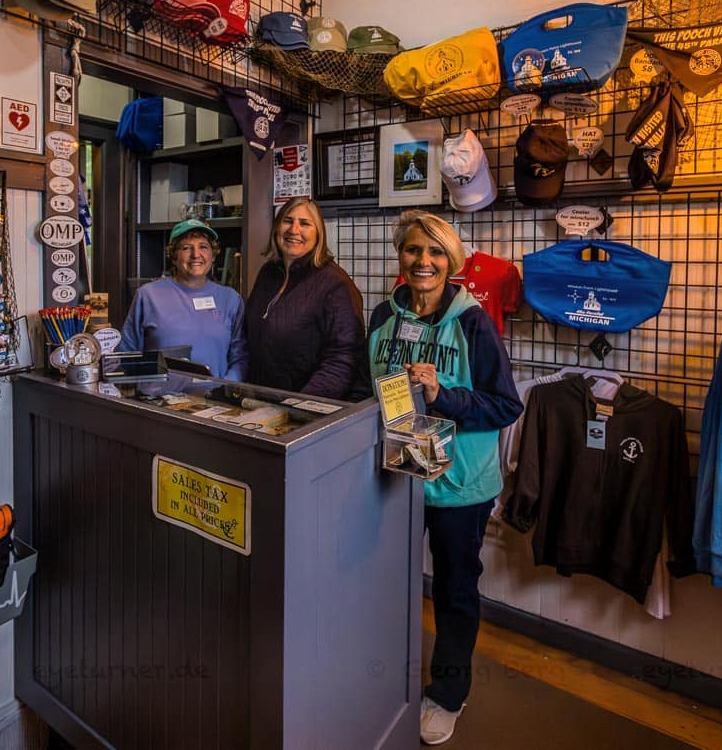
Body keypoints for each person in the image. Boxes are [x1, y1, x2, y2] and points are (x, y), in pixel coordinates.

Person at [366, 211, 522, 746]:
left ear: (451, 261)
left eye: (435, 253)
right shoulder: (384, 315)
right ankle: (384, 679)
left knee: (455, 589)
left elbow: (505, 405)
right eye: (413, 251)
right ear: (401, 256)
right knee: (389, 584)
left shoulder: (473, 321)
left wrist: (442, 395)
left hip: (459, 487)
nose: (423, 262)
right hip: (398, 477)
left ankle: (449, 692)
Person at [245, 196, 365, 399]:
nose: (294, 230)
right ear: (276, 228)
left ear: (318, 234)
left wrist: (299, 406)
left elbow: (343, 360)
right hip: (261, 404)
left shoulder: (335, 284)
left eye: (305, 223)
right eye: (288, 220)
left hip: (305, 412)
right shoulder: (268, 273)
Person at [119, 219, 247, 380]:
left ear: (213, 256)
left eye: (203, 247)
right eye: (186, 248)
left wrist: (224, 388)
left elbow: (239, 357)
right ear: (174, 256)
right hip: (159, 400)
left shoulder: (230, 299)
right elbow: (127, 354)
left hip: (214, 401)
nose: (196, 255)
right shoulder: (148, 295)